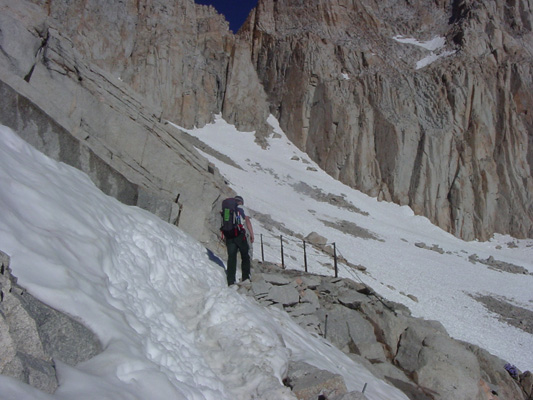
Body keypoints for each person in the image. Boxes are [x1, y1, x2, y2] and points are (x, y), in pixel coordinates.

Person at [223, 195, 254, 285]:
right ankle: (245, 278)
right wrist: (251, 234)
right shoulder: (241, 208)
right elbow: (247, 221)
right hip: (239, 235)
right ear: (241, 202)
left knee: (231, 257)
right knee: (245, 255)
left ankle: (230, 280)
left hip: (229, 235)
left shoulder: (227, 209)